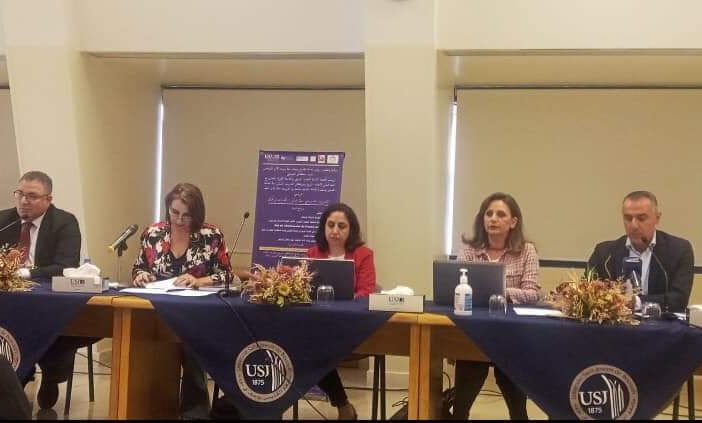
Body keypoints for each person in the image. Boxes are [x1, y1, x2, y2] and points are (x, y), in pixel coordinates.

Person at [132, 182, 235, 419]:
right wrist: (141, 276)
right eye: (174, 212)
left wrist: (200, 281)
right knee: (145, 344)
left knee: (192, 347)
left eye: (186, 215)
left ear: (197, 213)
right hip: (157, 310)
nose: (179, 220)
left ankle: (194, 414)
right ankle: (149, 408)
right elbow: (138, 267)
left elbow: (227, 275)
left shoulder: (211, 235)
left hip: (197, 314)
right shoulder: (153, 233)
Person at [0, 171, 88, 410]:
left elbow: (66, 266)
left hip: (46, 297)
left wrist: (27, 272)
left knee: (53, 324)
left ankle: (50, 374)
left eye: (32, 196)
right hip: (10, 296)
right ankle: (13, 379)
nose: (24, 201)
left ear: (48, 199)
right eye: (20, 194)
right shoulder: (4, 220)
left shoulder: (64, 222)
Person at [452, 192, 539, 420]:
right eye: (488, 214)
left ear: (513, 222)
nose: (493, 219)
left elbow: (532, 294)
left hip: (512, 334)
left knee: (518, 410)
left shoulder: (527, 251)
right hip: (475, 332)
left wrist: (500, 291)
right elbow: (456, 288)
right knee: (461, 404)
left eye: (500, 214)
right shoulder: (469, 249)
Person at [306, 203, 376, 419]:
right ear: (323, 227)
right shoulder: (313, 253)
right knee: (306, 348)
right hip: (319, 326)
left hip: (351, 327)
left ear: (351, 229)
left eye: (341, 226)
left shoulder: (363, 254)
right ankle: (343, 404)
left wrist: (348, 299)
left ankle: (343, 406)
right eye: (330, 225)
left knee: (315, 348)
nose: (335, 230)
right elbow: (305, 289)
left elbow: (367, 292)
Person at [587, 190, 694, 313]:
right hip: (614, 323)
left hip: (660, 324)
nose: (634, 225)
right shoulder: (604, 253)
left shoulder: (679, 250)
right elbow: (586, 293)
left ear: (657, 219)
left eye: (641, 218)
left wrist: (636, 302)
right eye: (628, 218)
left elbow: (679, 300)